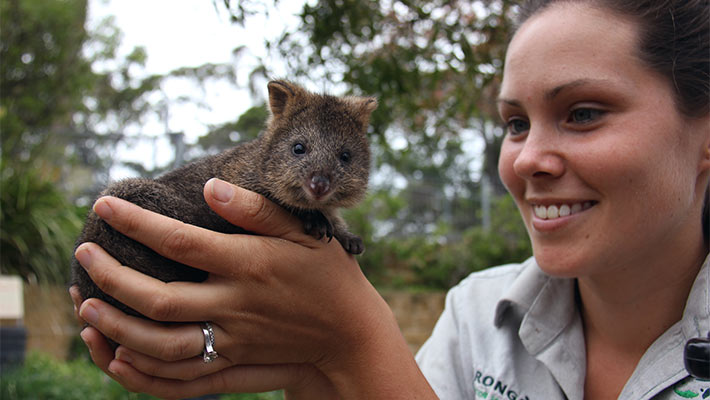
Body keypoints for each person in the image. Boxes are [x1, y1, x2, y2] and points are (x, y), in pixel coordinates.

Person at [70, 0, 710, 398]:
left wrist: (353, 339)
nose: (529, 160)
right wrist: (307, 363)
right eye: (515, 124)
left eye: (585, 113)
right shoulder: (480, 319)